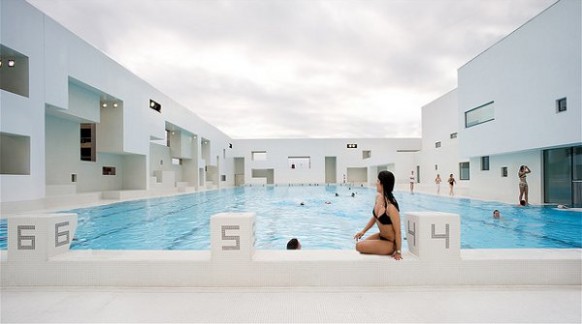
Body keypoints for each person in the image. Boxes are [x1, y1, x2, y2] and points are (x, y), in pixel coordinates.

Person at [353, 170, 402, 260]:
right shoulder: (378, 198)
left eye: (378, 181)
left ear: (383, 184)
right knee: (362, 244)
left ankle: (392, 248)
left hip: (390, 242)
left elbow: (398, 231)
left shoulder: (391, 207)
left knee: (359, 246)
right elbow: (375, 217)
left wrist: (398, 251)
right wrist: (363, 231)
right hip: (381, 236)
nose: (376, 183)